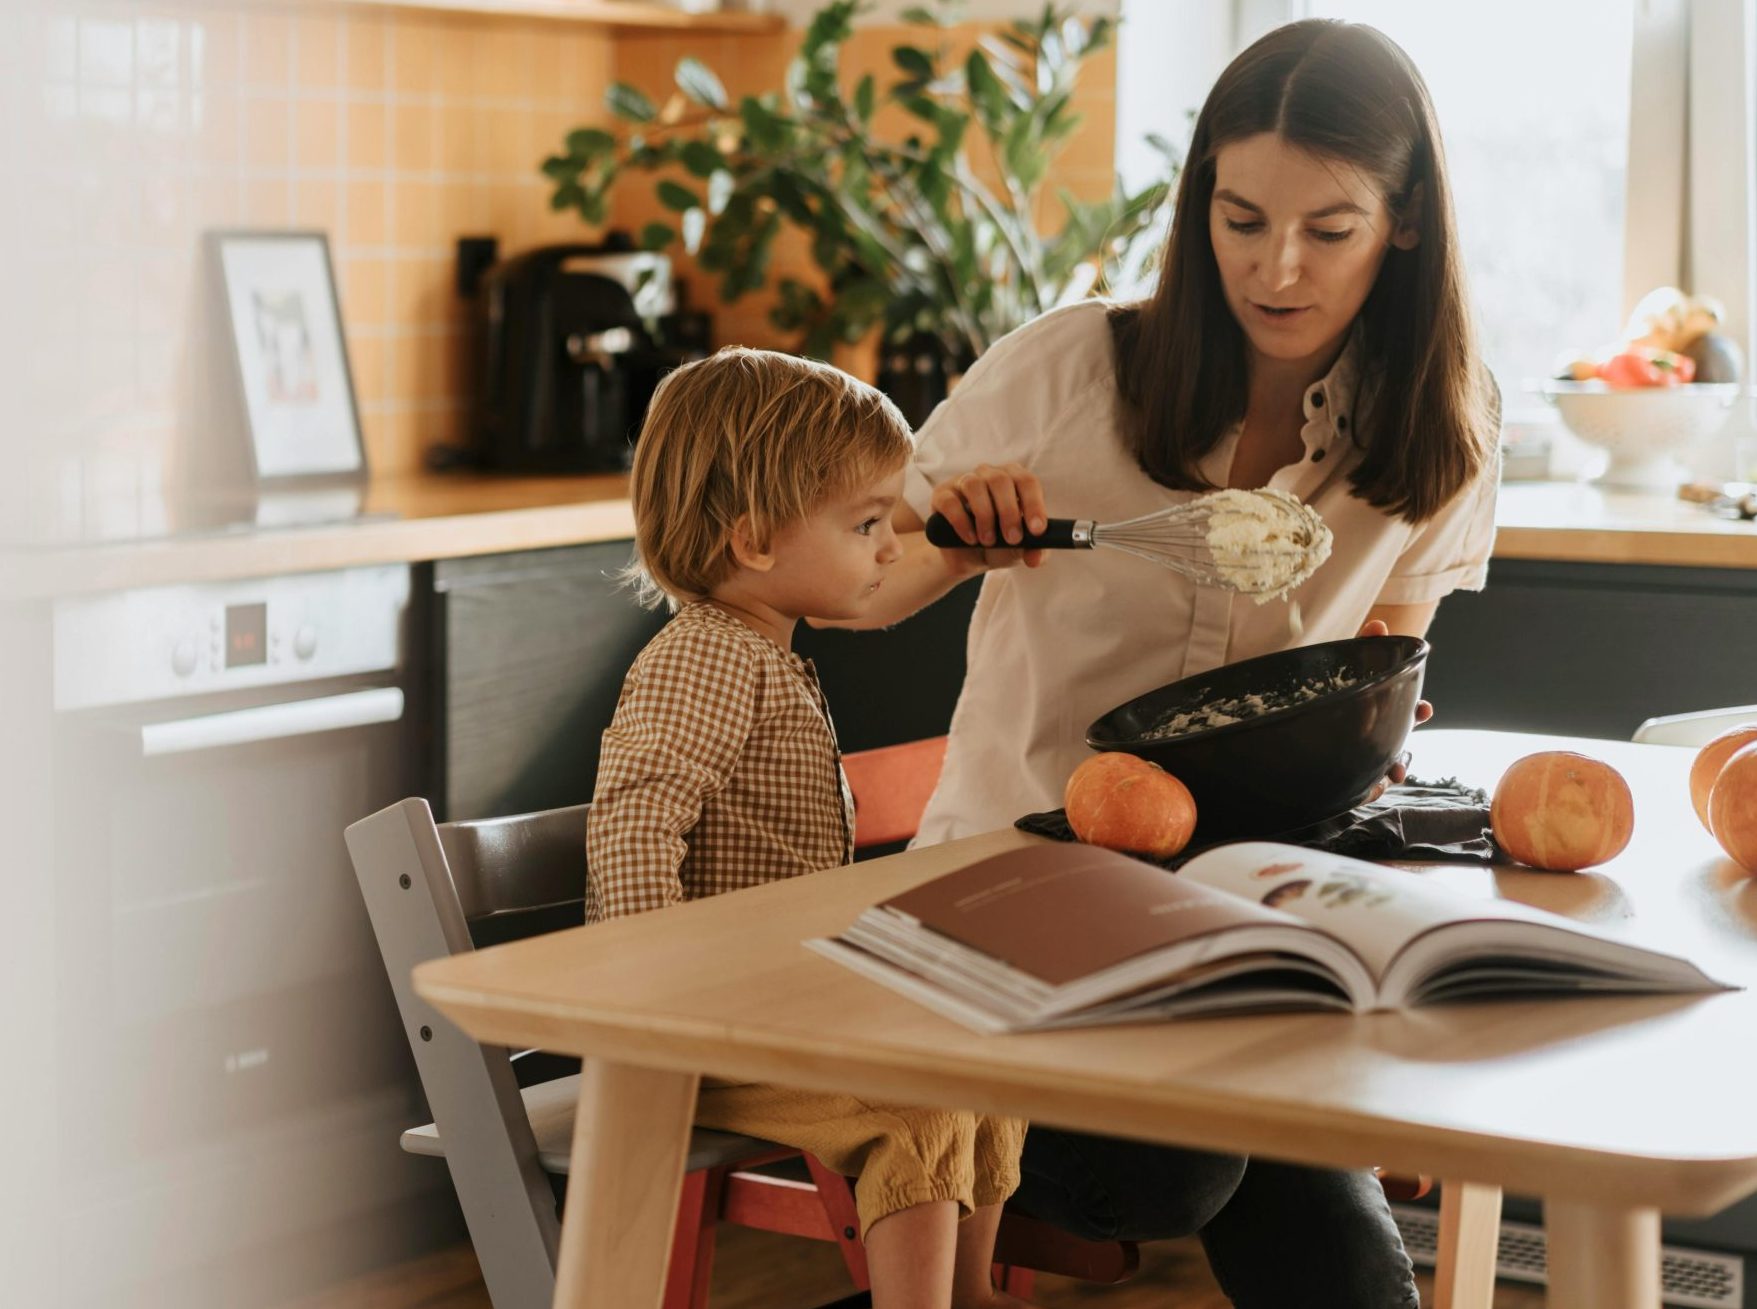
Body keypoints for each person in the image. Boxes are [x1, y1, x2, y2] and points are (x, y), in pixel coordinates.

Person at [829, 18, 1502, 1307]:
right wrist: (955, 538)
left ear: (1404, 222)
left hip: (1236, 930)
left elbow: (1376, 677)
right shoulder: (1067, 370)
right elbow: (863, 592)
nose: (1276, 268)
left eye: (1328, 228)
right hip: (1006, 925)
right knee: (1176, 1170)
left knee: (1337, 1254)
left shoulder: (1438, 442)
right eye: (1240, 219)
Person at [585, 346, 1035, 1309]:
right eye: (866, 523)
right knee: (919, 1109)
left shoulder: (759, 646)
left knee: (984, 1060)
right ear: (752, 539)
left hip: (768, 1010)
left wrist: (958, 555)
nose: (887, 545)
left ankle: (968, 1293)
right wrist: (650, 1006)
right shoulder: (704, 659)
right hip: (702, 1031)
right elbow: (633, 821)